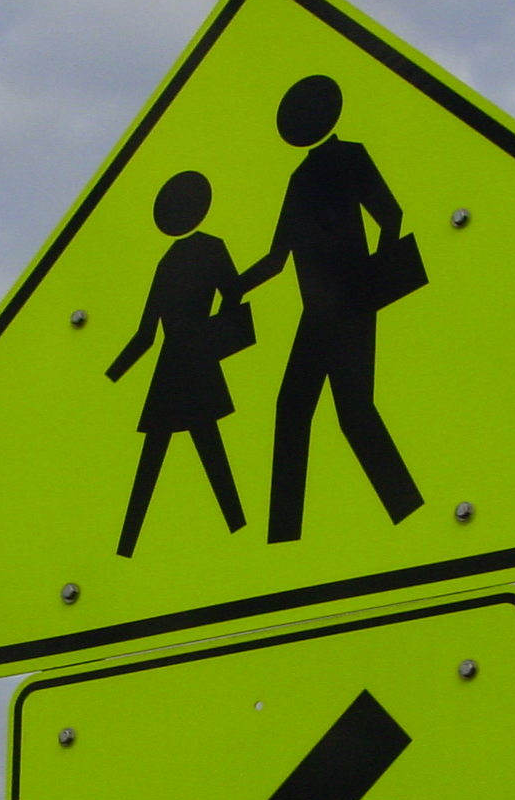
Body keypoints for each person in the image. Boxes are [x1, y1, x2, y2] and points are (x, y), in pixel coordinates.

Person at [240, 73, 425, 544]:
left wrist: (371, 282)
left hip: (349, 304)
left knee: (346, 410)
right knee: (306, 408)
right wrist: (236, 287)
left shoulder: (349, 157)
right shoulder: (300, 177)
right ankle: (286, 536)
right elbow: (278, 259)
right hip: (320, 311)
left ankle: (408, 513)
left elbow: (390, 215)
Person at [106, 169, 252, 559]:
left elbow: (145, 337)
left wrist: (113, 374)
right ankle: (238, 528)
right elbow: (233, 295)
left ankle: (127, 545)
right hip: (192, 362)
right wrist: (107, 378)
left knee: (171, 455)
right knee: (202, 449)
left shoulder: (169, 262)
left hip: (175, 367)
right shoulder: (204, 251)